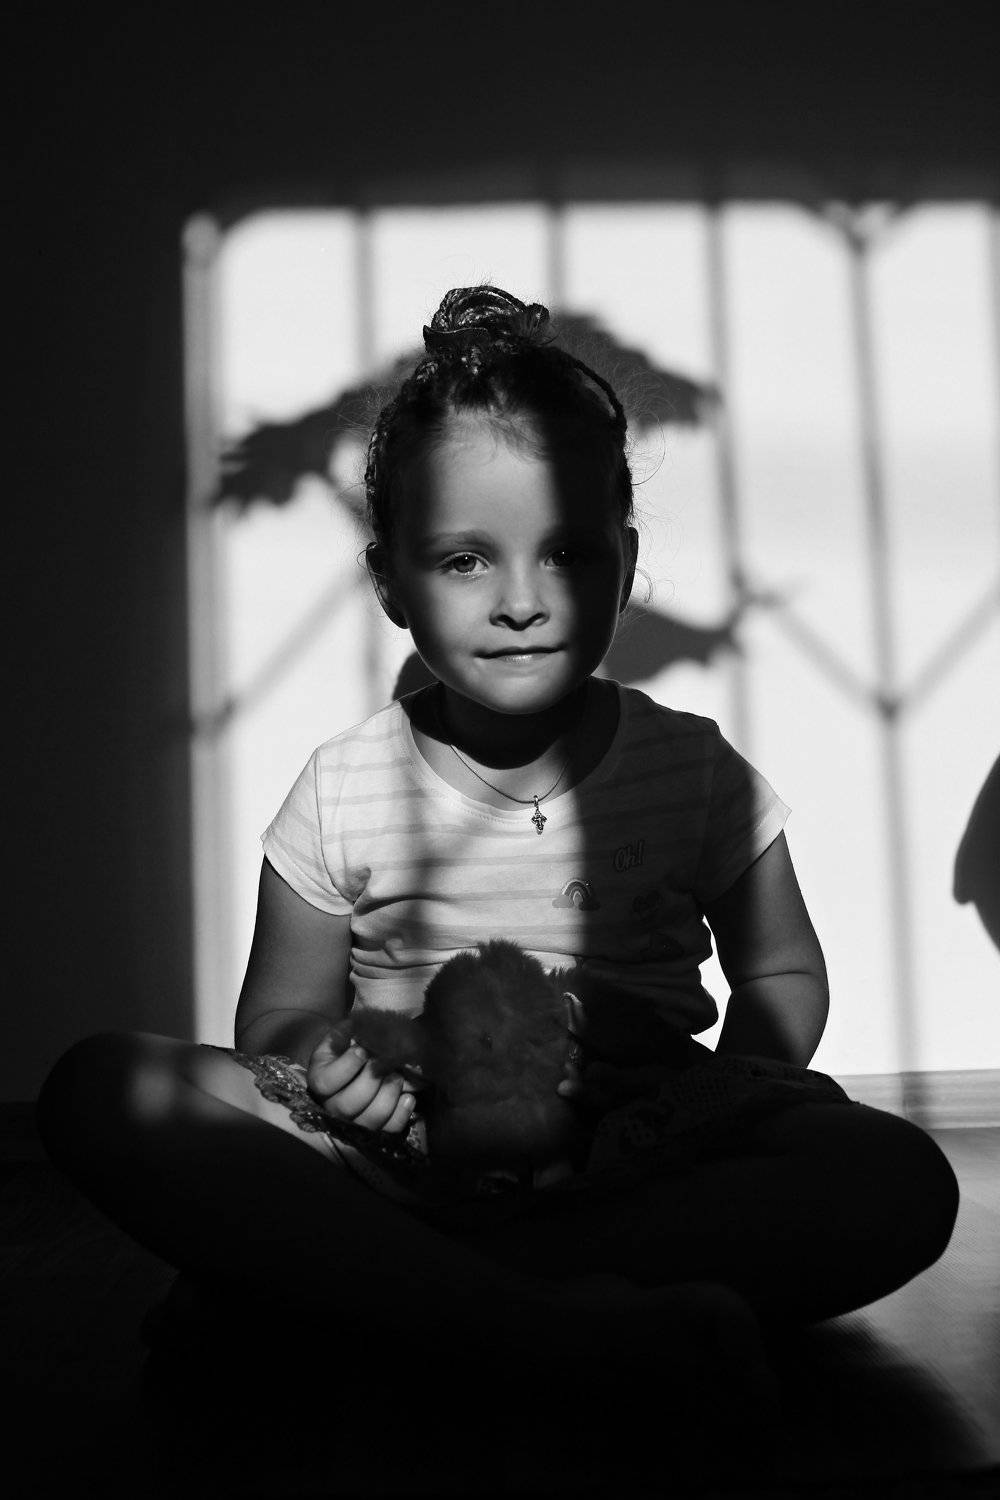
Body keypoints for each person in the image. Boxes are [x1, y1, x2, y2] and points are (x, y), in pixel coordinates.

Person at [37, 285, 958, 1401]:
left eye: (565, 554)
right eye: (466, 560)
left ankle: (372, 1294)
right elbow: (275, 1020)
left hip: (634, 1150)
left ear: (623, 562)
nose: (521, 601)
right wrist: (346, 1070)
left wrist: (717, 1088)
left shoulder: (692, 767)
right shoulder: (344, 784)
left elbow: (781, 970)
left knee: (897, 1178)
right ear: (391, 581)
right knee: (105, 1088)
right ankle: (530, 1320)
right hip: (394, 1153)